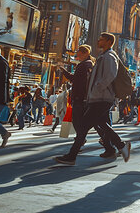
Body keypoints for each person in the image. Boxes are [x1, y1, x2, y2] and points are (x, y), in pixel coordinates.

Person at [55, 33, 130, 165]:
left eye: (101, 39)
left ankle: (71, 157)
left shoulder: (109, 56)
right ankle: (120, 146)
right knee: (102, 124)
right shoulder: (102, 56)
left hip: (102, 97)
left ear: (108, 41)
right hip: (98, 97)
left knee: (83, 126)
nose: (98, 41)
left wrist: (97, 88)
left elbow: (110, 75)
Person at [59, 45, 94, 135]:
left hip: (79, 96)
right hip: (84, 96)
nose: (78, 56)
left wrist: (64, 72)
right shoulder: (89, 64)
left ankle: (80, 138)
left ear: (85, 53)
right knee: (81, 120)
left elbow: (74, 79)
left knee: (77, 120)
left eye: (79, 54)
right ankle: (81, 138)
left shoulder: (83, 65)